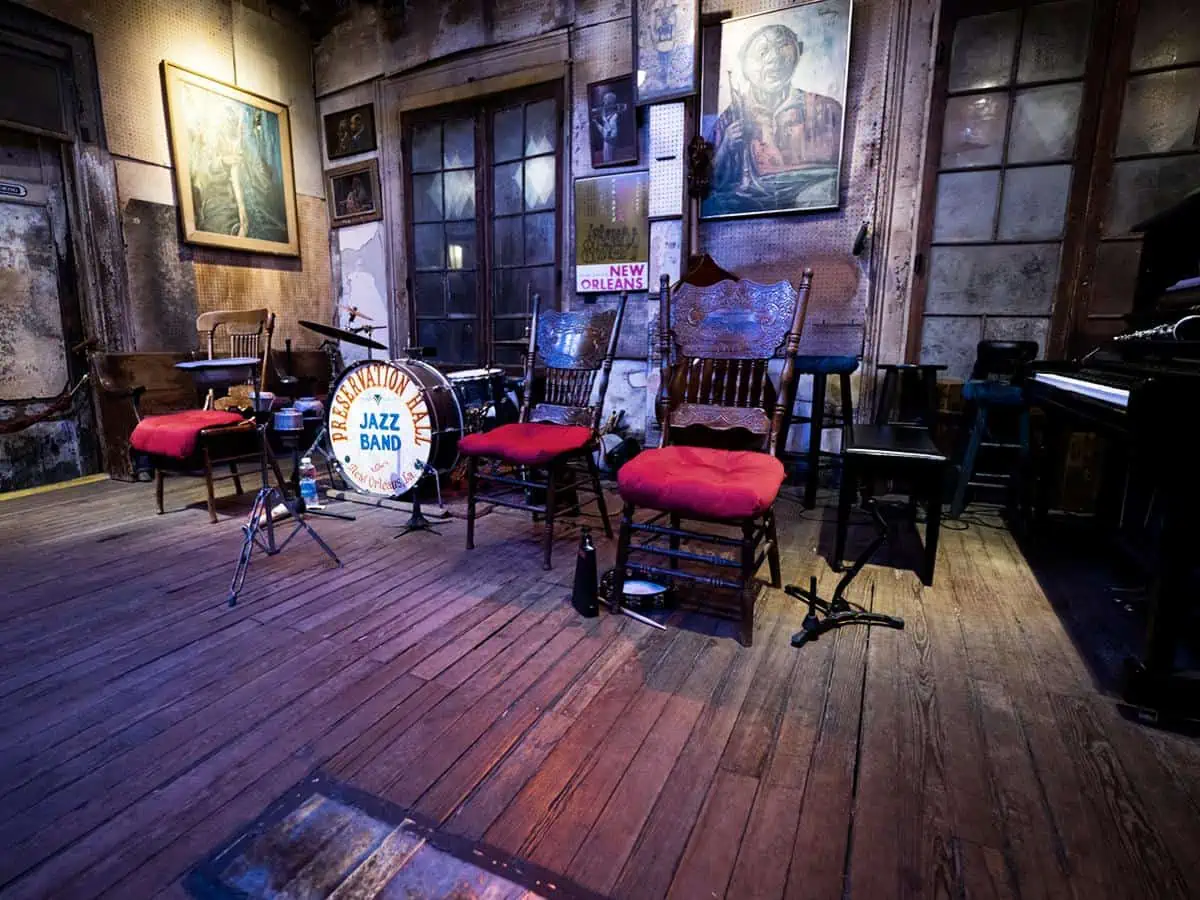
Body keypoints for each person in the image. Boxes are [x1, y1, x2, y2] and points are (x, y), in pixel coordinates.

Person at [710, 23, 843, 199]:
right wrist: (727, 145)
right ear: (744, 66)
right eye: (762, 52)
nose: (774, 59)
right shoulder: (730, 120)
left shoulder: (827, 110)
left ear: (798, 52)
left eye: (782, 47)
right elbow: (711, 183)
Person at [592, 91, 626, 164]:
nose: (604, 101)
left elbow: (625, 107)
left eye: (606, 99)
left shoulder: (617, 113)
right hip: (607, 138)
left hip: (613, 138)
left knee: (613, 158)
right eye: (604, 99)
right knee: (607, 159)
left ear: (611, 101)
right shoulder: (603, 112)